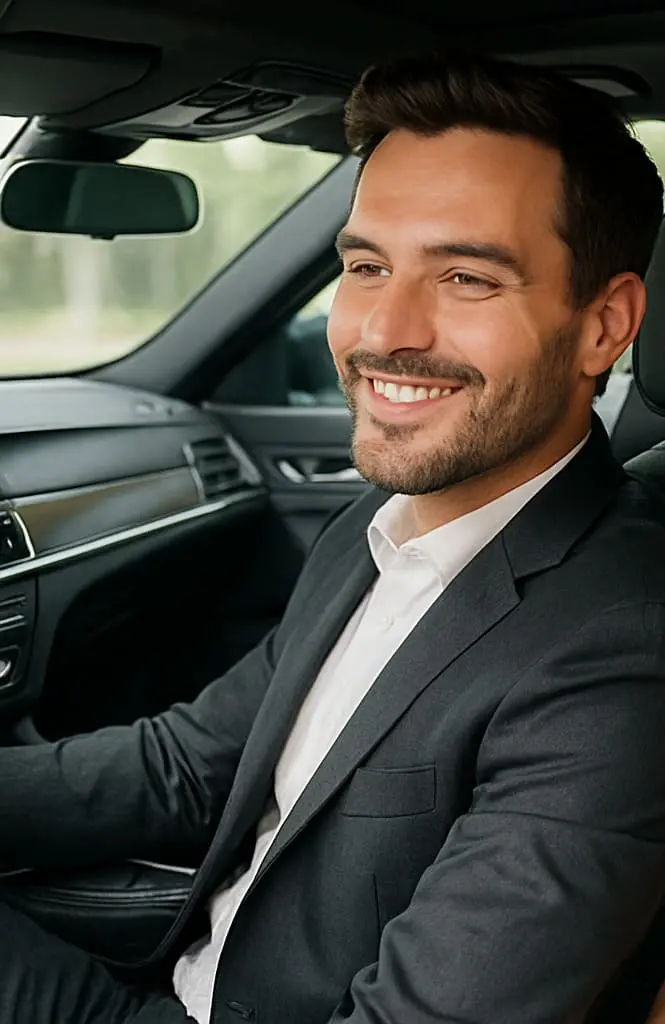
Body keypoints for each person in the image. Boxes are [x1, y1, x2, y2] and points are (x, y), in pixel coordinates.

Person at [2, 50, 665, 1024]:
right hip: (183, 960)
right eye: (363, 266)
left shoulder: (619, 656)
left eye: (466, 277)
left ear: (602, 325)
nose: (380, 329)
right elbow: (187, 764)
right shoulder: (378, 524)